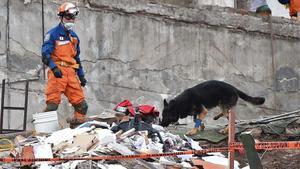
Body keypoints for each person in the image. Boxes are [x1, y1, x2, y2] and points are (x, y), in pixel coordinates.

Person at [41, 2, 88, 121]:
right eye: (68, 17)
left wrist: (81, 76)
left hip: (71, 73)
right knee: (52, 105)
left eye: (72, 17)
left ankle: (77, 133)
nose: (71, 20)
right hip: (58, 72)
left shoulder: (74, 37)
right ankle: (42, 130)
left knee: (82, 106)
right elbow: (45, 55)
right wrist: (53, 68)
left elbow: (77, 58)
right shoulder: (53, 34)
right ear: (61, 17)